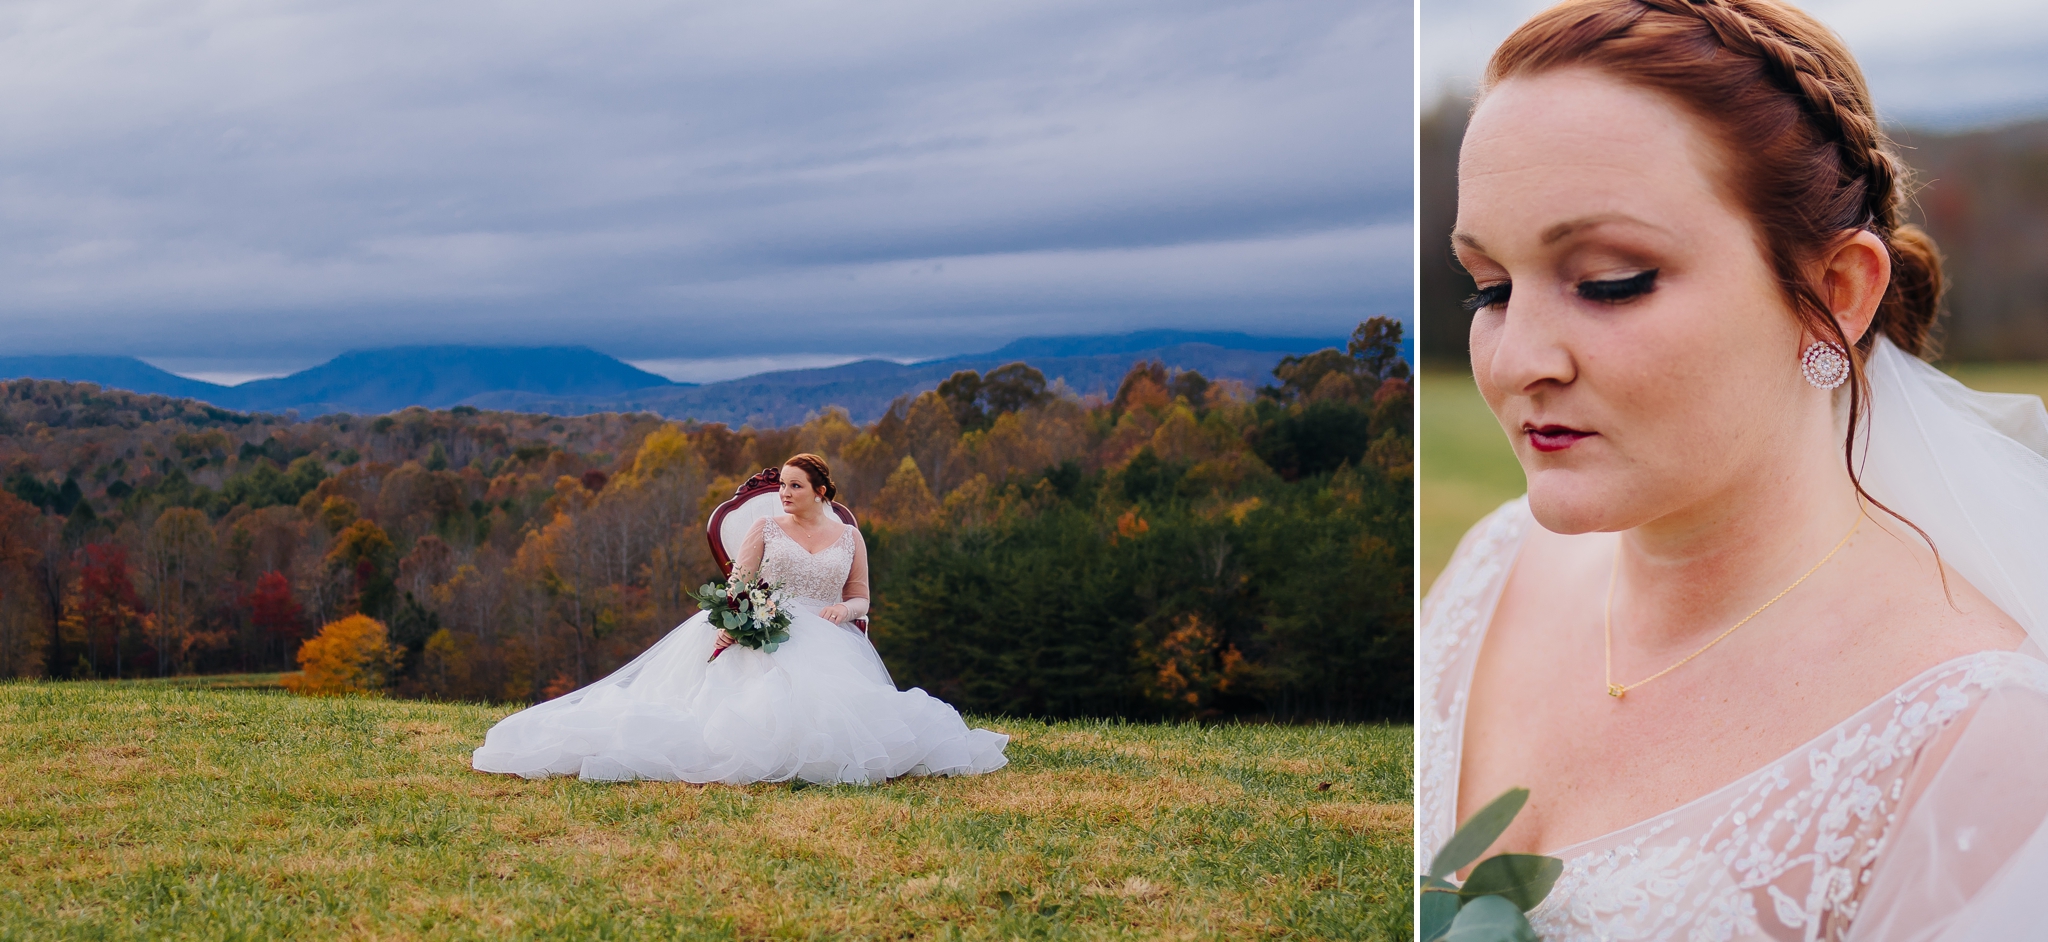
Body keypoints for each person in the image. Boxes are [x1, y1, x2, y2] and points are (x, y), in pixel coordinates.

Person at [1419, 0, 2048, 936]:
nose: (1519, 362)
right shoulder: (1489, 570)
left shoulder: (1980, 746)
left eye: (1609, 282)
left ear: (1835, 295)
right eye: (1492, 289)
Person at [473, 453, 1009, 785]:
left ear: (821, 491)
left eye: (796, 486)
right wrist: (743, 619)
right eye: (783, 486)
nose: (786, 493)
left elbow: (863, 596)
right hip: (762, 627)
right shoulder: (766, 530)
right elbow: (737, 583)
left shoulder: (850, 536)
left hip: (830, 634)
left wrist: (845, 611)